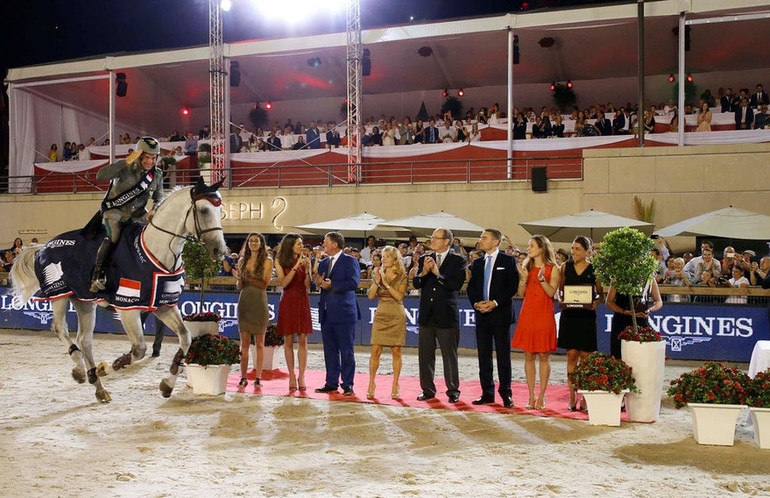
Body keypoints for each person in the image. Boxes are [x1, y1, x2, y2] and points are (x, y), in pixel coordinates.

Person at [89, 137, 164, 292]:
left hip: (138, 215)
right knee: (114, 236)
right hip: (114, 212)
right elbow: (100, 176)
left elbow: (159, 197)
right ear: (139, 155)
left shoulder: (156, 174)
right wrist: (125, 162)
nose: (150, 161)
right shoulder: (125, 168)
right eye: (147, 157)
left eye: (153, 158)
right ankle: (97, 276)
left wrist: (155, 209)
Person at [412, 227, 467, 403]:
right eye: (432, 237)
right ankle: (427, 389)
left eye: (436, 238)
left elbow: (456, 285)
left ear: (446, 241)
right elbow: (416, 283)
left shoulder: (458, 260)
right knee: (425, 355)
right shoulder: (424, 259)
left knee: (449, 355)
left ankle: (453, 390)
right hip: (427, 314)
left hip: (446, 315)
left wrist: (437, 273)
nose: (432, 240)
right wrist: (423, 273)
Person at [466, 229, 518, 407]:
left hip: (500, 314)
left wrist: (494, 302)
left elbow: (512, 286)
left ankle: (506, 393)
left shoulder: (508, 260)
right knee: (483, 355)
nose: (481, 240)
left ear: (496, 242)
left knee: (503, 356)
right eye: (481, 237)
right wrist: (476, 304)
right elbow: (472, 287)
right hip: (481, 314)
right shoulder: (478, 262)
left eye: (484, 237)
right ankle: (487, 392)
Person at [512, 235, 560, 410]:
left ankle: (542, 396)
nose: (529, 248)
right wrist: (524, 278)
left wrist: (541, 279)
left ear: (541, 248)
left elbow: (551, 293)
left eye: (532, 246)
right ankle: (531, 395)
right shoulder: (527, 266)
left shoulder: (553, 268)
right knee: (528, 355)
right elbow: (521, 293)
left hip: (544, 313)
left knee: (543, 355)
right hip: (528, 313)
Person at [557, 236, 603, 411]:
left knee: (586, 357)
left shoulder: (594, 269)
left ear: (587, 251)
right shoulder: (564, 267)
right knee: (571, 355)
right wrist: (561, 299)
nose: (573, 252)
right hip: (569, 315)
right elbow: (561, 291)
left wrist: (596, 302)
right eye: (572, 248)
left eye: (577, 249)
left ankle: (584, 396)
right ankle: (571, 395)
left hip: (586, 317)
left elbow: (600, 293)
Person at [313, 231, 361, 395]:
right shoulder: (323, 263)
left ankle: (348, 383)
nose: (323, 244)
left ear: (334, 243)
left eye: (326, 241)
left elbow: (354, 283)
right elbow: (320, 282)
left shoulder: (350, 261)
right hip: (327, 313)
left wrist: (332, 286)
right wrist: (318, 282)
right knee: (330, 350)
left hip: (344, 313)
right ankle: (331, 382)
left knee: (347, 350)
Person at [366, 246, 408, 399]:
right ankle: (371, 383)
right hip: (381, 314)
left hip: (396, 314)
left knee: (396, 351)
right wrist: (377, 282)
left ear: (395, 259)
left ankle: (395, 384)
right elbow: (370, 296)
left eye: (387, 257)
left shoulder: (402, 274)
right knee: (375, 351)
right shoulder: (377, 273)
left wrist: (386, 283)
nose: (383, 259)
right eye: (382, 256)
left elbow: (399, 297)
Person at [275, 233, 313, 391]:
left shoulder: (305, 261)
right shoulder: (280, 261)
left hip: (302, 299)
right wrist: (296, 267)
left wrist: (308, 270)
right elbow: (284, 283)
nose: (301, 246)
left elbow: (307, 285)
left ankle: (301, 375)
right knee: (288, 340)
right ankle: (291, 374)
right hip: (288, 301)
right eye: (298, 243)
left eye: (301, 243)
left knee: (303, 339)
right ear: (290, 245)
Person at [235, 233, 273, 388]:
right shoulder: (242, 260)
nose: (253, 243)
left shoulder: (267, 261)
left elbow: (264, 284)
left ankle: (258, 377)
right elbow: (241, 286)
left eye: (256, 241)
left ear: (261, 243)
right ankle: (243, 377)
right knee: (244, 344)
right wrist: (238, 279)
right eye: (251, 241)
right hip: (244, 301)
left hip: (259, 302)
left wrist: (248, 277)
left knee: (259, 343)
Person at [606, 277, 663, 359]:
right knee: (618, 352)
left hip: (641, 318)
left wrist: (650, 310)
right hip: (621, 320)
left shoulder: (649, 278)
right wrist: (624, 311)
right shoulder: (618, 277)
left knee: (642, 353)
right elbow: (608, 302)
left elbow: (659, 301)